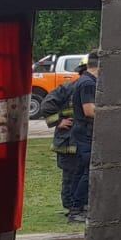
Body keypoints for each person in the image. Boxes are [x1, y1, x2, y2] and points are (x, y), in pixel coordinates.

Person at [39, 63, 88, 219]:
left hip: (80, 140)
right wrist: (57, 121)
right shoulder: (68, 89)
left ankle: (78, 205)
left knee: (80, 175)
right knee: (70, 175)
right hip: (67, 141)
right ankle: (70, 207)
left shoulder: (88, 88)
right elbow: (46, 106)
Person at [66, 52, 99, 224]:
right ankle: (76, 210)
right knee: (88, 172)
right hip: (85, 132)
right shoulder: (88, 83)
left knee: (80, 171)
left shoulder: (85, 80)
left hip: (81, 132)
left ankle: (75, 206)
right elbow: (89, 110)